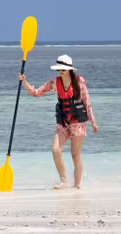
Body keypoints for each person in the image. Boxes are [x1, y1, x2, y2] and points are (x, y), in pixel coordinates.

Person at [20, 54, 98, 189]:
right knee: (56, 150)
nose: (60, 71)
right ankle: (64, 181)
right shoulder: (54, 83)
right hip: (62, 123)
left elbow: (87, 102)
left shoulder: (79, 81)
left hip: (77, 123)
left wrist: (93, 122)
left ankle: (77, 186)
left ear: (69, 69)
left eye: (63, 68)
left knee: (75, 155)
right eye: (59, 68)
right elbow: (36, 93)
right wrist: (24, 82)